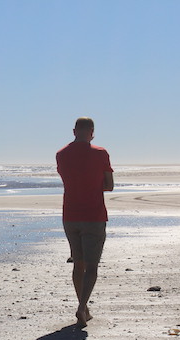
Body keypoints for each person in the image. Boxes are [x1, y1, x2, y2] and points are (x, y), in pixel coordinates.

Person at [56, 117, 114, 328]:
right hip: (94, 215)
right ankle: (82, 306)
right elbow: (109, 185)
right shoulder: (101, 153)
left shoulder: (61, 155)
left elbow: (68, 179)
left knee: (78, 263)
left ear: (74, 131)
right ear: (91, 132)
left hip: (70, 215)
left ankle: (84, 307)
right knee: (92, 266)